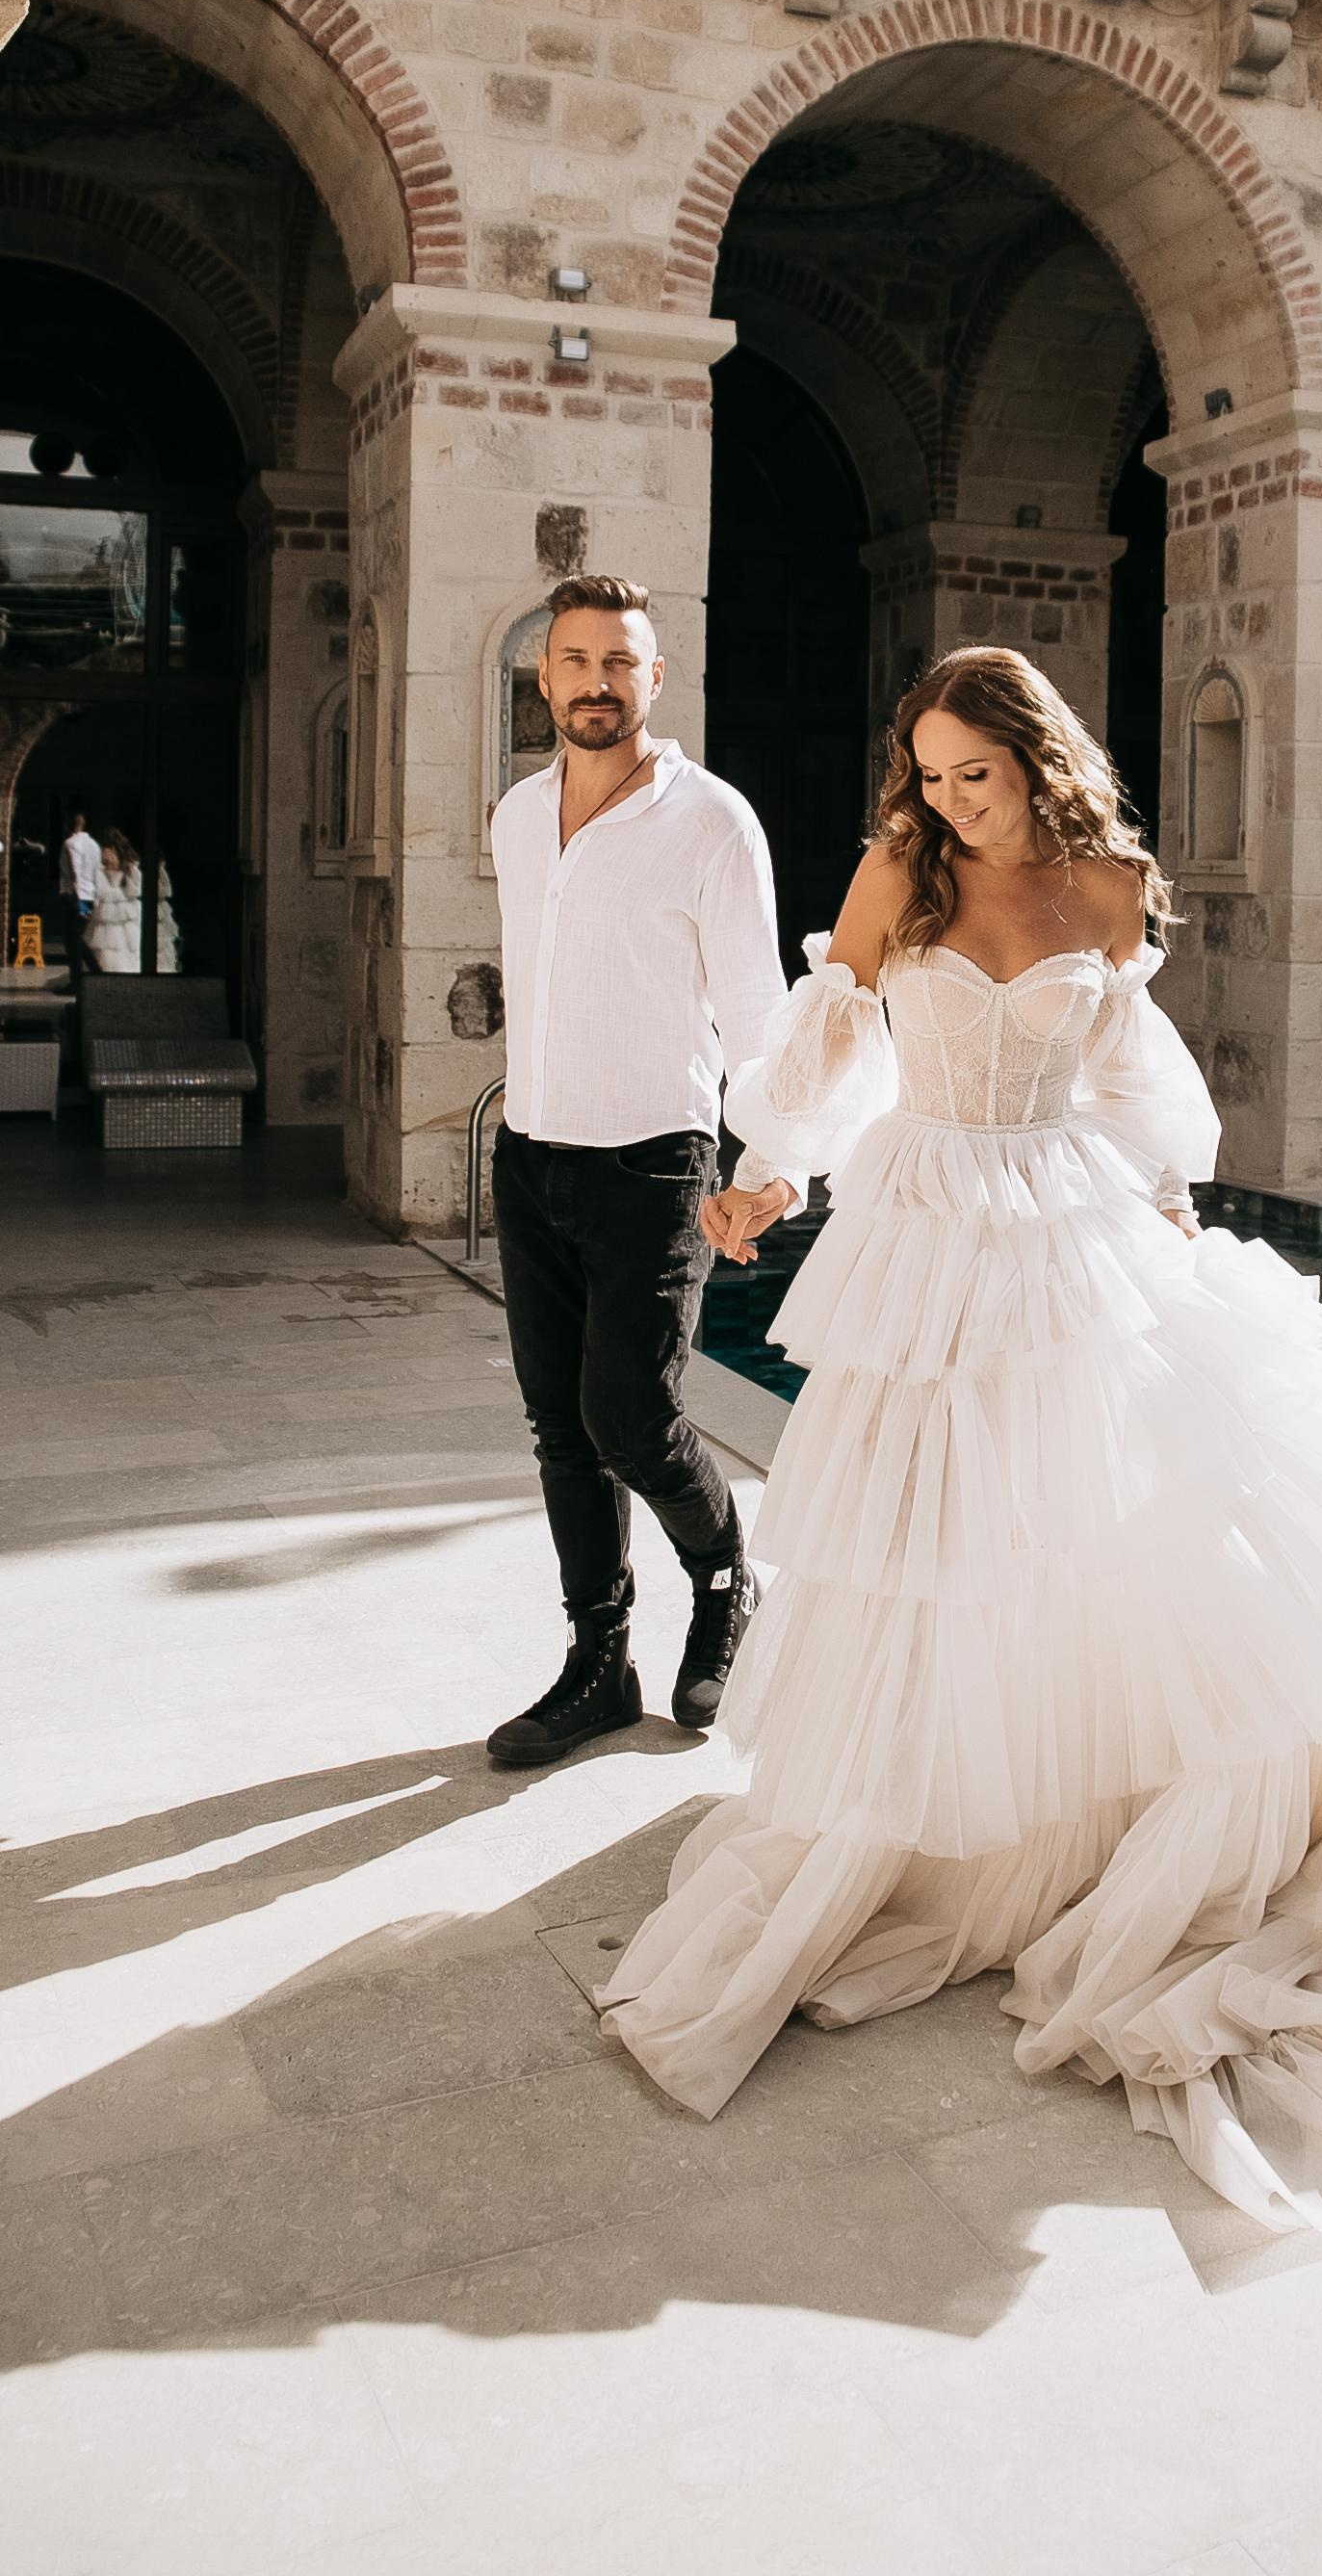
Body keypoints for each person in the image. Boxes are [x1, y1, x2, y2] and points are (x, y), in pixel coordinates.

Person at [603, 645, 1322, 2254]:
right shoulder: (896, 875)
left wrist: (1164, 1222)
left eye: (975, 775)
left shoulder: (1106, 887)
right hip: (928, 1234)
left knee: (1115, 1530)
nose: (950, 801)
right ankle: (951, 1808)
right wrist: (769, 1175)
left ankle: (1095, 1811)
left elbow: (1132, 1083)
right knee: (941, 1544)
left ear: (1037, 761)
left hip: (1068, 1228)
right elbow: (828, 1058)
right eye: (929, 775)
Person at [483, 573, 800, 1768]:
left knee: (627, 1414)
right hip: (531, 1155)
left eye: (619, 662)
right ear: (544, 674)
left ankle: (722, 1580)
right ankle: (597, 1665)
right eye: (575, 660)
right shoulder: (518, 815)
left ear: (654, 678)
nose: (596, 683)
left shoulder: (711, 820)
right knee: (560, 1429)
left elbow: (758, 1009)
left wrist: (771, 1164)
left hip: (654, 1163)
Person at [84, 831, 143, 973]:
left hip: (124, 915)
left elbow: (136, 890)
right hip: (107, 914)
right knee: (106, 950)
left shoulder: (129, 867)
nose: (107, 853)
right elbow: (99, 890)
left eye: (111, 850)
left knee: (123, 949)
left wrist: (128, 871)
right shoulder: (100, 867)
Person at [57, 808, 102, 980]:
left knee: (71, 937)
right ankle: (93, 972)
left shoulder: (70, 843)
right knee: (74, 936)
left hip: (74, 896)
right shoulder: (94, 845)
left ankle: (85, 976)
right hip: (88, 896)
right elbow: (97, 872)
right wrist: (95, 898)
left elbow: (76, 871)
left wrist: (76, 899)